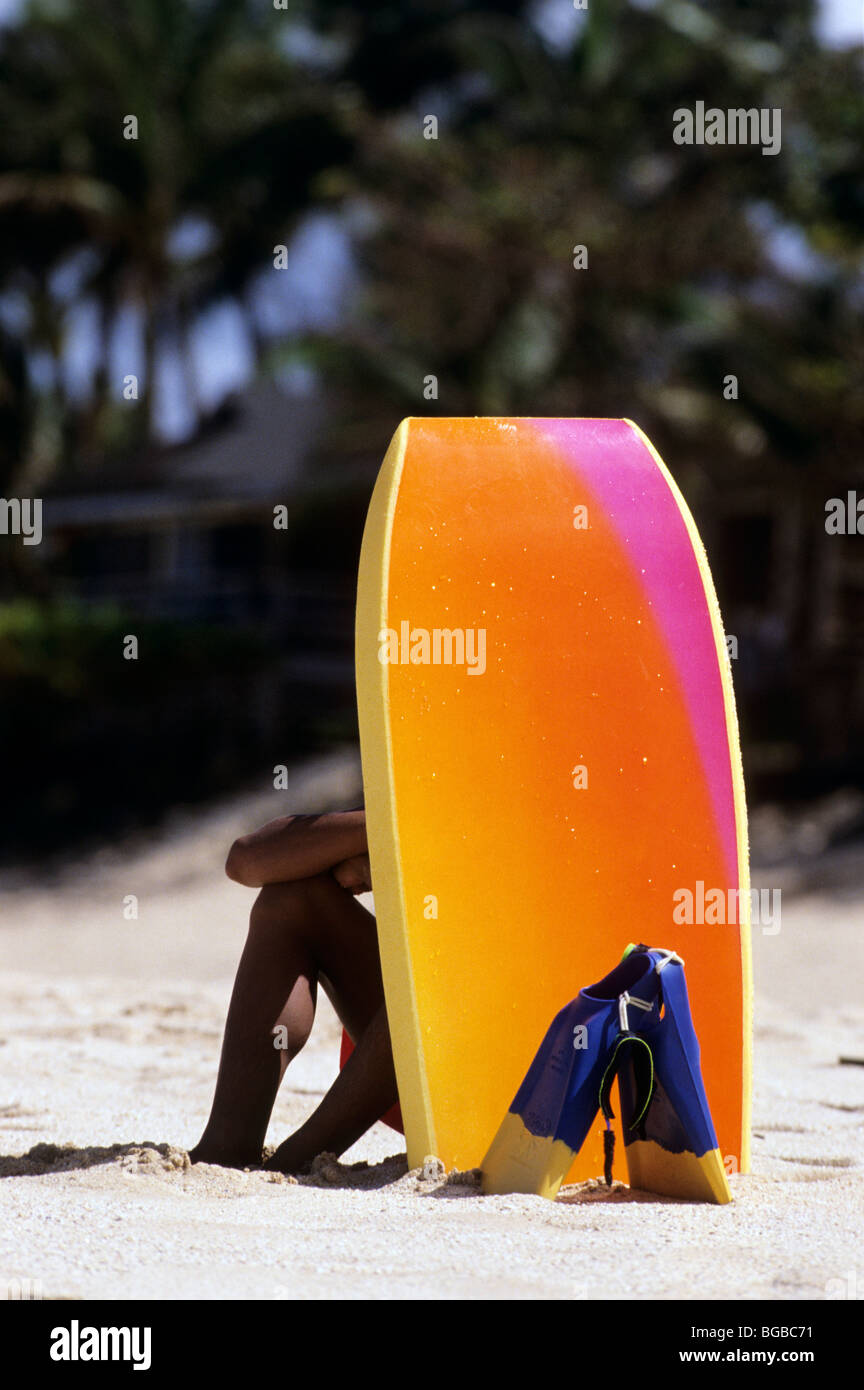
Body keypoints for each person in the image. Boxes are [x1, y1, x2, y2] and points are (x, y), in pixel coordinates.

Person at [188, 808, 401, 1172]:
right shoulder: (426, 799)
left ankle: (295, 1160)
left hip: (498, 1086)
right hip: (405, 1073)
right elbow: (246, 860)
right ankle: (226, 1148)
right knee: (293, 896)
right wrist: (386, 834)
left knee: (452, 968)